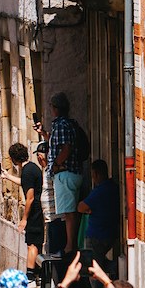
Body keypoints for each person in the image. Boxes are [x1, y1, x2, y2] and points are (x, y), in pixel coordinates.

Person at [46, 93, 89, 255]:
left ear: (55, 108)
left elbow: (66, 148)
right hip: (73, 173)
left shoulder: (61, 125)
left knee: (69, 213)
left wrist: (56, 164)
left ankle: (70, 246)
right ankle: (71, 244)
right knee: (70, 212)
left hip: (66, 173)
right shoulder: (71, 123)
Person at [78, 159, 121, 274]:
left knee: (93, 267)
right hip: (111, 233)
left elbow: (81, 207)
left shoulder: (99, 191)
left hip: (97, 235)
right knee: (100, 262)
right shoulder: (114, 187)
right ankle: (114, 269)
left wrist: (88, 209)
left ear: (96, 174)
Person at [10, 143, 43, 279]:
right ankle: (37, 274)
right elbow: (25, 183)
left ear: (13, 159)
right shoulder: (31, 168)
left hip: (34, 211)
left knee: (32, 244)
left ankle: (30, 276)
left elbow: (29, 198)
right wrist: (7, 176)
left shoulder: (28, 171)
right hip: (37, 210)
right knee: (35, 243)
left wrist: (24, 219)